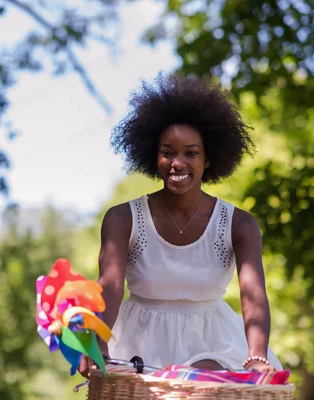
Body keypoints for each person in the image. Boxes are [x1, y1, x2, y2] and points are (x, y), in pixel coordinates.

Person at [79, 73, 283, 377]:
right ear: (154, 155)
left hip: (214, 346)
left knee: (202, 376)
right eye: (167, 152)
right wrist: (98, 341)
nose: (178, 163)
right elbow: (109, 286)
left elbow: (253, 296)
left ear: (208, 159)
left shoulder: (239, 224)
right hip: (138, 344)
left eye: (191, 153)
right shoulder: (122, 218)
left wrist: (256, 354)